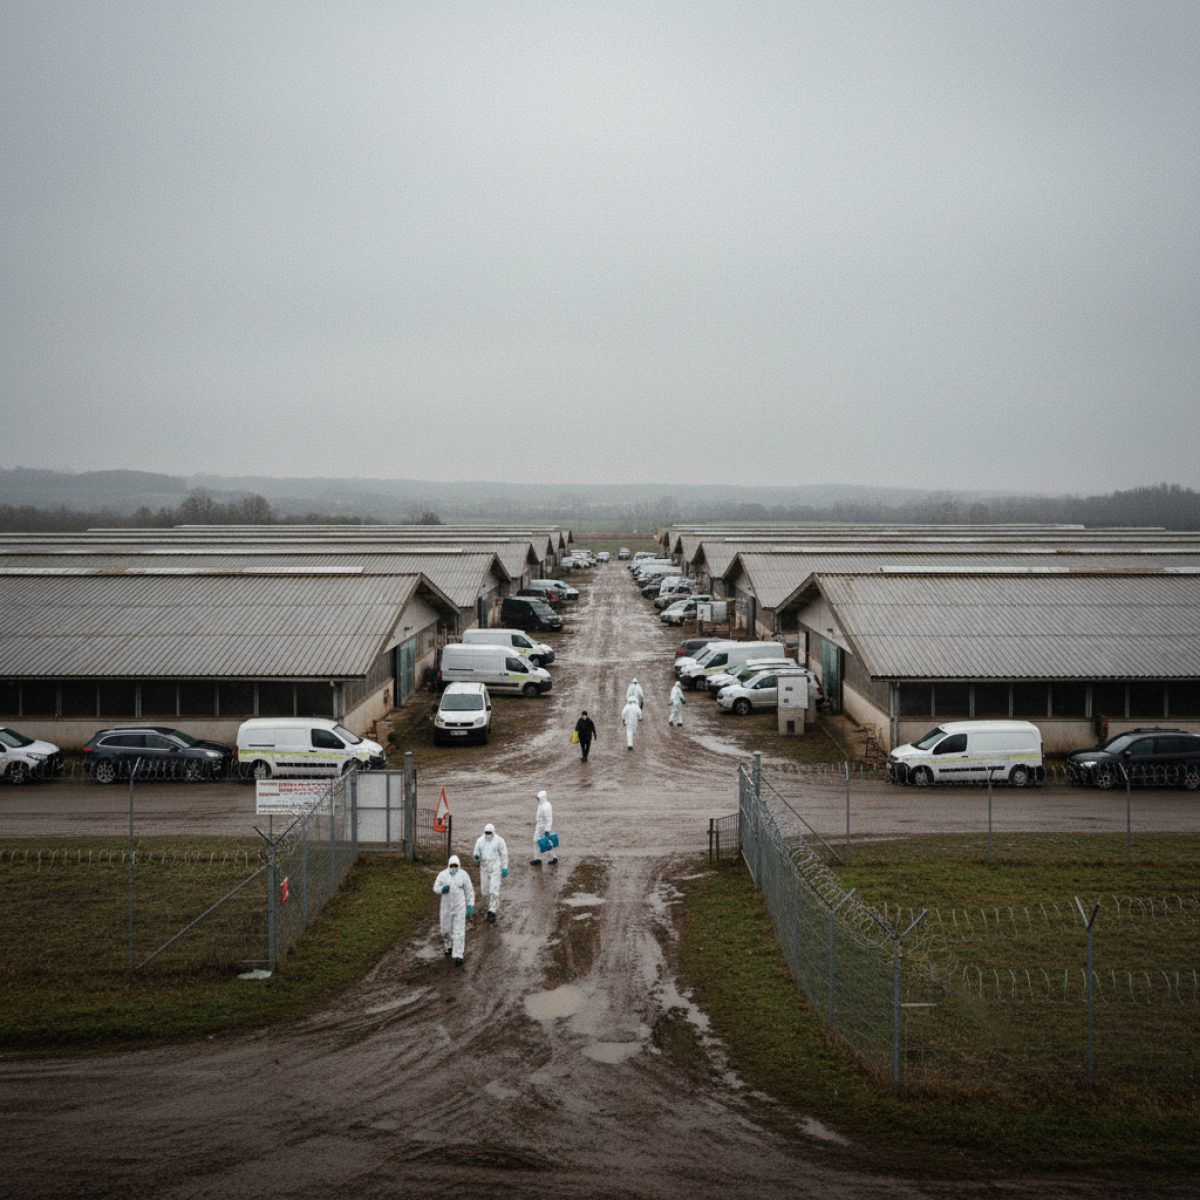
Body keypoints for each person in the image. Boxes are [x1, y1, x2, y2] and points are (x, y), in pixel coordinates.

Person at [432, 854, 475, 965]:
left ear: (459, 865)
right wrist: (442, 889)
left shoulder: (463, 875)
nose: (454, 868)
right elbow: (435, 887)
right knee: (445, 930)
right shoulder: (442, 875)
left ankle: (459, 954)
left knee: (459, 931)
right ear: (449, 865)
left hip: (459, 907)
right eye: (452, 865)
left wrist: (470, 904)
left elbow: (469, 890)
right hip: (446, 907)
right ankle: (448, 945)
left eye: (456, 865)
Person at [472, 822, 509, 923]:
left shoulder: (499, 841)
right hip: (484, 869)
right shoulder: (480, 841)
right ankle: (489, 906)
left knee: (494, 889)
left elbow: (504, 854)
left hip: (495, 868)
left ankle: (492, 910)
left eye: (490, 832)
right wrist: (477, 858)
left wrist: (504, 867)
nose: (488, 834)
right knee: (485, 891)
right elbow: (476, 852)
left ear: (493, 832)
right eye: (486, 832)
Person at [531, 789, 556, 866]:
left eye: (538, 798)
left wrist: (547, 830)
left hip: (542, 827)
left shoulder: (545, 807)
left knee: (542, 843)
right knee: (537, 842)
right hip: (540, 826)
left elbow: (549, 819)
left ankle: (552, 858)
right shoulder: (544, 804)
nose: (537, 800)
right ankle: (539, 858)